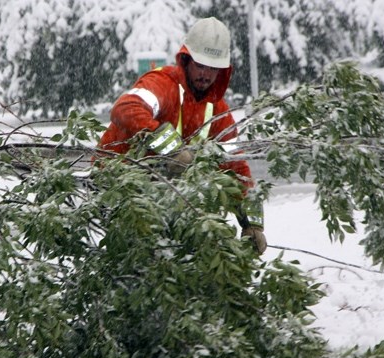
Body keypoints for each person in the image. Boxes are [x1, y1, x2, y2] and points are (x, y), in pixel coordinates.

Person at [97, 17, 267, 254]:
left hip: (160, 198)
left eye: (213, 68)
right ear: (186, 60)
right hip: (115, 187)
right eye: (201, 65)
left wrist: (252, 223)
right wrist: (172, 149)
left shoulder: (218, 112)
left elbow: (236, 168)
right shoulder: (162, 84)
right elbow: (125, 108)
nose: (206, 74)